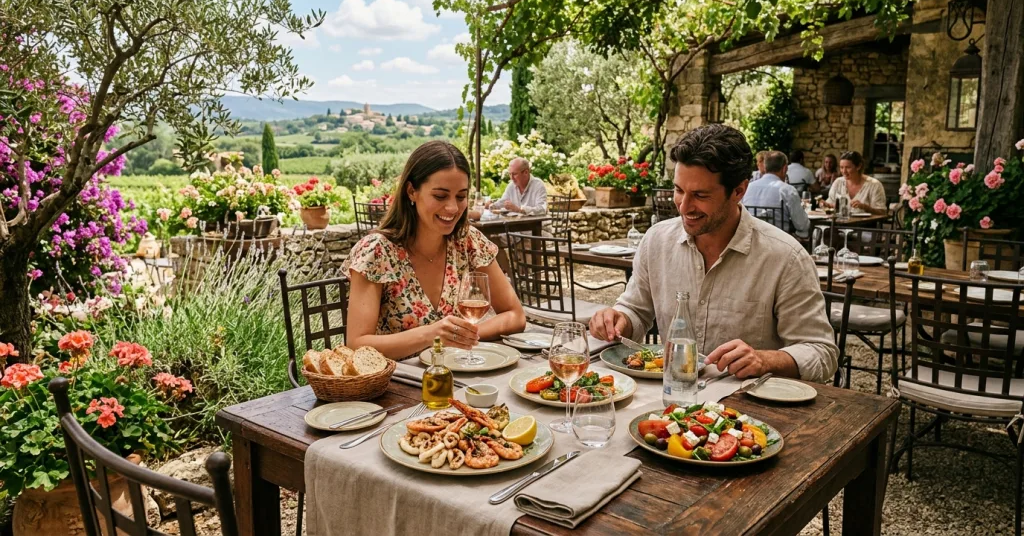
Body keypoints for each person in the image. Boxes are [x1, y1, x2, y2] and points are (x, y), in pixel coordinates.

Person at [589, 124, 838, 383]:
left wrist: (764, 360)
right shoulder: (656, 241)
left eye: (700, 195)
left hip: (744, 403)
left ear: (739, 191)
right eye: (679, 190)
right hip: (670, 396)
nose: (684, 207)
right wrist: (619, 319)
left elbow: (822, 352)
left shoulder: (786, 258)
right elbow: (635, 310)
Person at [345, 141, 527, 360]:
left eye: (461, 196)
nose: (453, 207)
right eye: (440, 196)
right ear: (411, 191)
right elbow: (356, 345)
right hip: (398, 378)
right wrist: (432, 335)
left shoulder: (468, 241)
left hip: (456, 374)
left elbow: (515, 316)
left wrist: (458, 335)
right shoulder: (377, 251)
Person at [741, 151, 810, 238]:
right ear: (784, 168)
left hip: (751, 239)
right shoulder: (787, 190)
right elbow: (802, 225)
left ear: (765, 167)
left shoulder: (748, 188)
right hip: (779, 241)